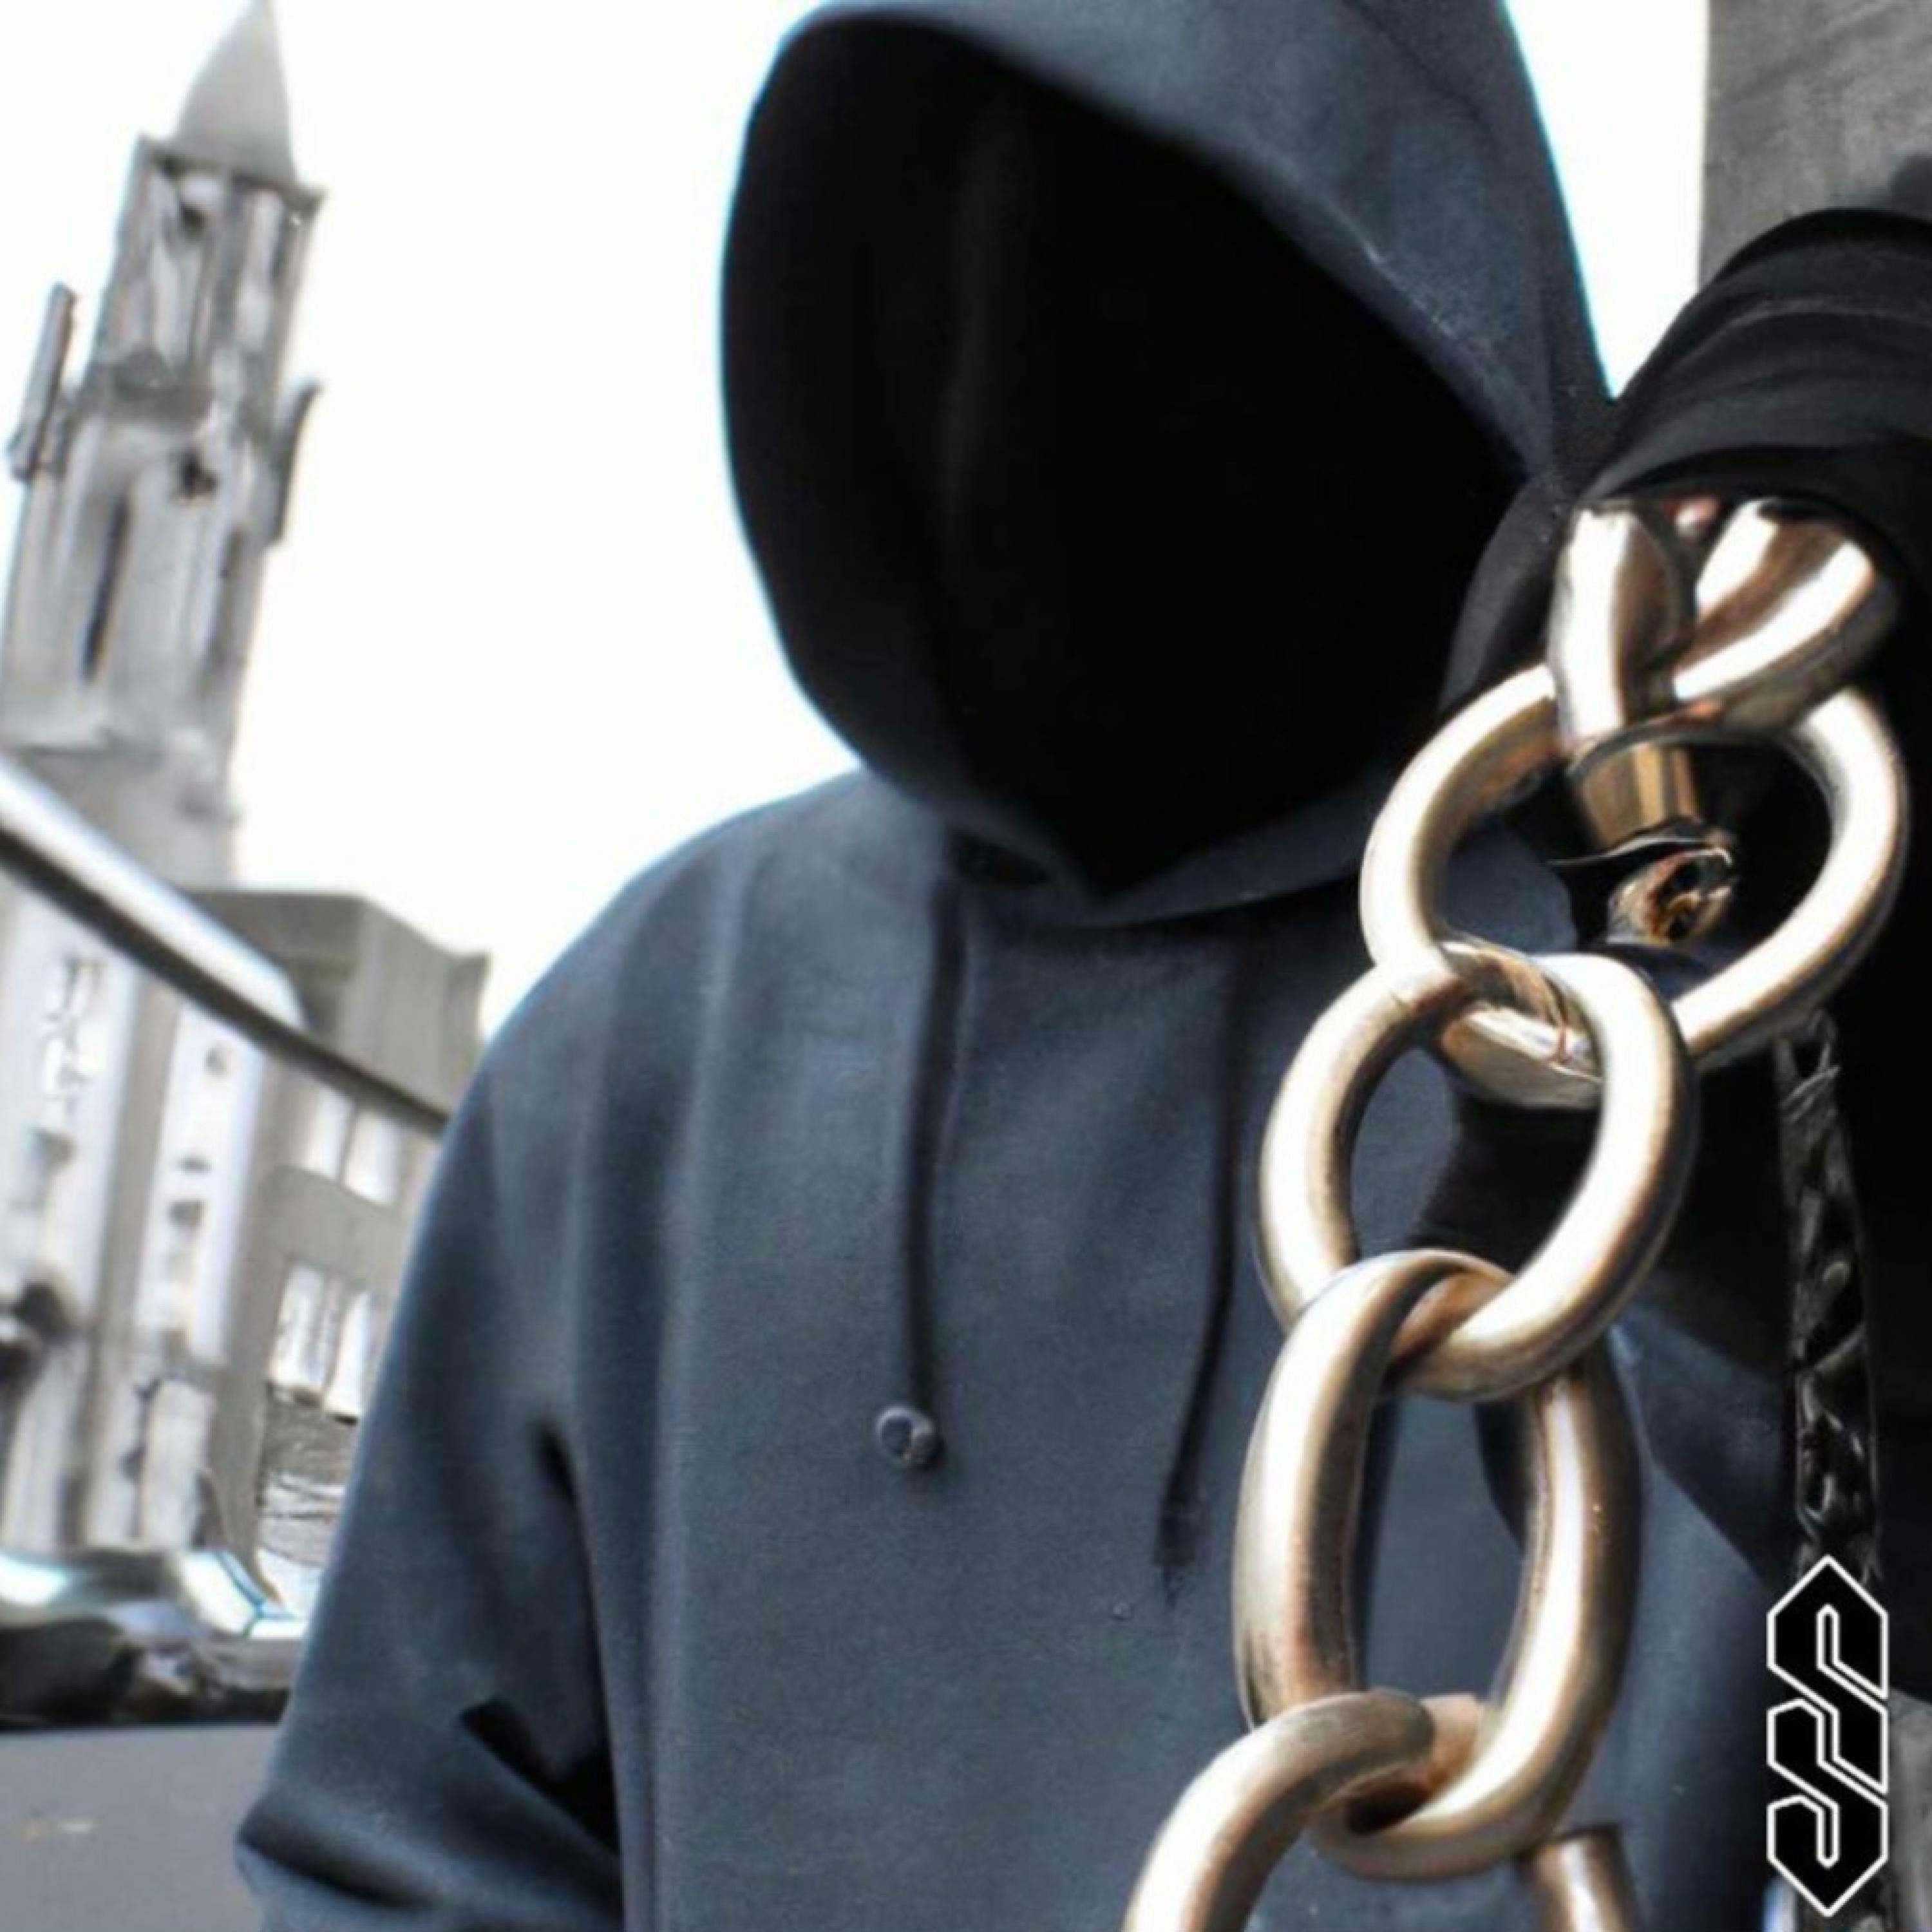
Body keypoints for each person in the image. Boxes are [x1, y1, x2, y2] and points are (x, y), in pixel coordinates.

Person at [238, 1, 1932, 1925]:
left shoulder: (1676, 980)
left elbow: (1860, 1712)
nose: (1018, 360)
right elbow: (415, 1828)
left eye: (1157, 240)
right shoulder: (660, 1016)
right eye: (919, 238)